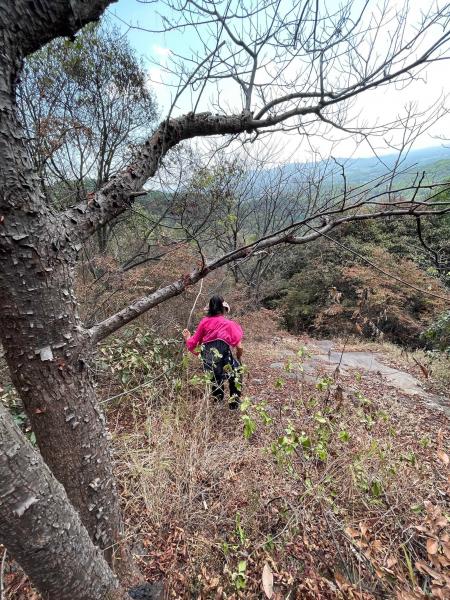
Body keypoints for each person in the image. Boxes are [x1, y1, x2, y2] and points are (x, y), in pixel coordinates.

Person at [183, 296, 243, 408]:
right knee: (237, 372)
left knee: (215, 379)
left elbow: (193, 343)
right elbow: (240, 347)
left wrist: (187, 338)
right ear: (223, 308)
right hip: (225, 360)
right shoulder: (229, 324)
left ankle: (217, 403)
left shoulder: (204, 322)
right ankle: (234, 404)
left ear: (209, 309)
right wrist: (239, 358)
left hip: (209, 362)